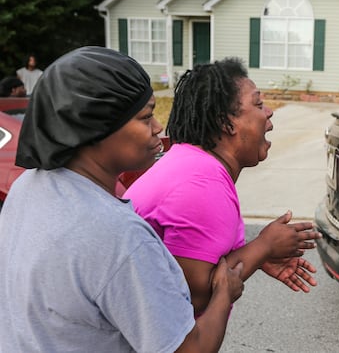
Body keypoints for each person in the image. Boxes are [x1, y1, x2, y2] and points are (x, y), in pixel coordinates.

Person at [0, 46, 249, 352]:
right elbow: (189, 348)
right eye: (145, 117)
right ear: (96, 129)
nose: (158, 127)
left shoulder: (28, 187)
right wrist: (225, 293)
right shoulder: (118, 236)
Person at [124, 57, 321, 318]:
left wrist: (255, 256)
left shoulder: (191, 162)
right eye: (258, 104)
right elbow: (195, 298)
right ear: (226, 123)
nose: (269, 111)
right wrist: (263, 247)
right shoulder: (201, 184)